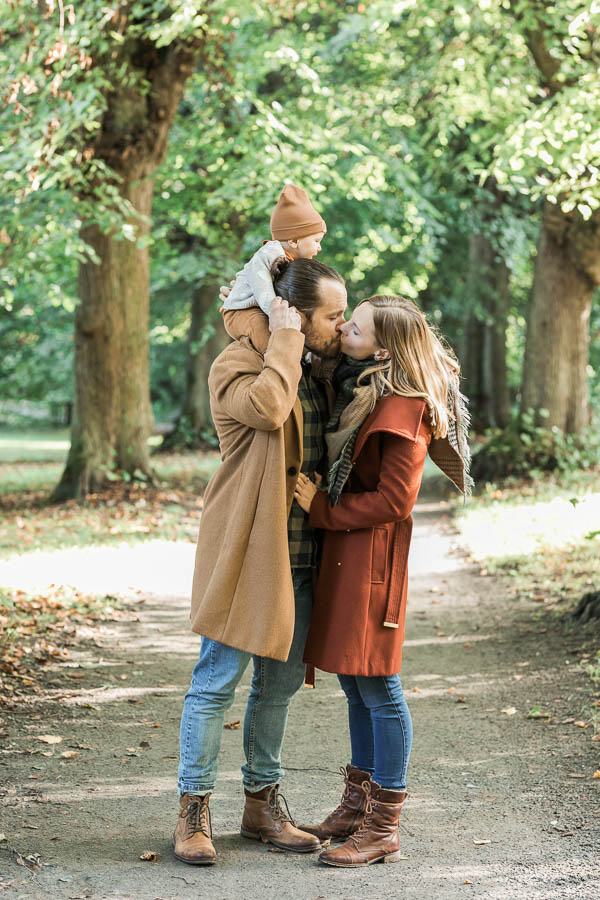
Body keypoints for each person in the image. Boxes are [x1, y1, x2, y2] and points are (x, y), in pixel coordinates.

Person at [174, 258, 347, 865]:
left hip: (304, 554)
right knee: (216, 682)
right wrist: (285, 337)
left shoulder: (320, 369)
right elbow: (271, 408)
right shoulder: (238, 365)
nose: (340, 322)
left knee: (276, 689)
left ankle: (261, 805)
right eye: (331, 313)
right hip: (249, 551)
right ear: (294, 315)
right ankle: (192, 810)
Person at [294, 295, 471, 868]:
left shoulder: (403, 408)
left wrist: (321, 508)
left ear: (385, 347)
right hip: (349, 555)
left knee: (379, 688)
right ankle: (357, 806)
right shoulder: (363, 390)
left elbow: (396, 500)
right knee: (354, 682)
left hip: (371, 561)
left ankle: (383, 826)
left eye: (357, 324)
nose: (345, 326)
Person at [222, 183, 326, 316]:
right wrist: (279, 314)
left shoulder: (290, 260)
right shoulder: (269, 254)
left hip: (253, 309)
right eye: (316, 241)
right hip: (240, 310)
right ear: (294, 241)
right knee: (265, 333)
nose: (319, 247)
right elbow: (264, 291)